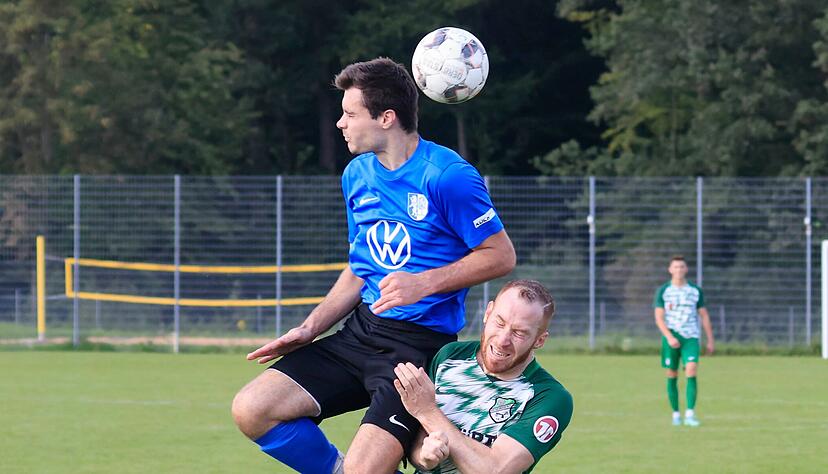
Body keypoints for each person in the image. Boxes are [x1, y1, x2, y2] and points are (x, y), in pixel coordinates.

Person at [231, 57, 516, 474]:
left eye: (350, 114)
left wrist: (423, 283)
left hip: (418, 349)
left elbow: (501, 255)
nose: (340, 124)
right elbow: (360, 266)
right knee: (252, 408)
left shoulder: (448, 176)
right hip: (360, 333)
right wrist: (311, 327)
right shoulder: (357, 174)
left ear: (386, 118)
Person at [394, 279, 573, 473]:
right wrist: (424, 457)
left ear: (539, 340)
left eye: (519, 333)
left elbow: (495, 470)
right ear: (488, 313)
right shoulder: (450, 356)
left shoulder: (549, 397)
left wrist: (427, 411)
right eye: (499, 322)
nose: (503, 340)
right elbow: (420, 442)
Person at [653, 255, 714, 427]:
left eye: (681, 267)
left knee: (691, 369)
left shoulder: (695, 291)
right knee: (672, 374)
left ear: (686, 269)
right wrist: (669, 337)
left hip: (691, 337)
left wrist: (710, 339)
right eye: (676, 267)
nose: (679, 270)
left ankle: (690, 414)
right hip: (671, 337)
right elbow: (659, 317)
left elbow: (704, 315)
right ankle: (675, 414)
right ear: (670, 270)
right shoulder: (664, 291)